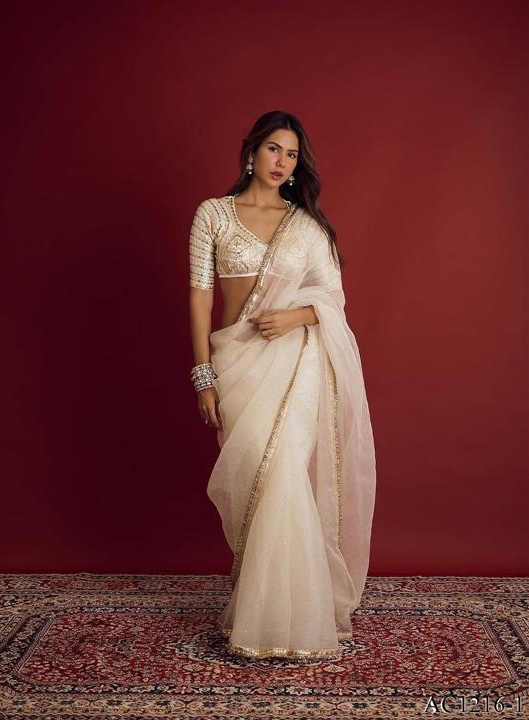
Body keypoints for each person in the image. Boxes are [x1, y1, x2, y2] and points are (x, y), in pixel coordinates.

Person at [188, 110, 376, 662]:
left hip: (295, 364)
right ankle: (267, 605)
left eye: (292, 155)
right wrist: (203, 376)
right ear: (251, 152)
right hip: (236, 362)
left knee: (286, 475)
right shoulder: (213, 215)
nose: (282, 162)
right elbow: (199, 297)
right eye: (274, 149)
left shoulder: (307, 226)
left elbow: (333, 302)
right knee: (256, 477)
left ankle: (287, 623)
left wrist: (296, 317)